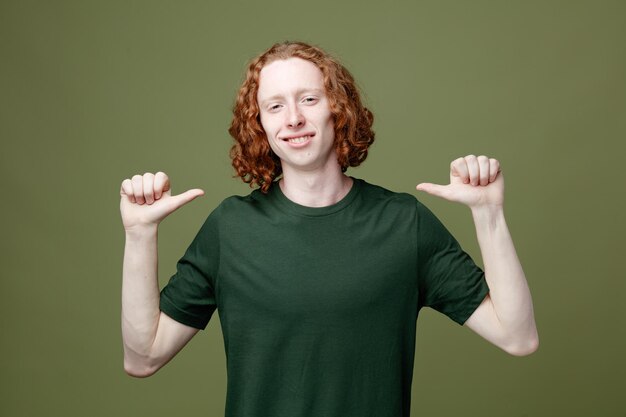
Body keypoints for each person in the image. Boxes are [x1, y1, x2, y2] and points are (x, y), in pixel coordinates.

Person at [119, 41, 538, 417]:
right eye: (275, 106)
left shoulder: (403, 222)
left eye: (309, 98)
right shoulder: (231, 229)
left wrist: (489, 215)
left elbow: (517, 336)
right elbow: (144, 357)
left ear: (339, 108)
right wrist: (139, 235)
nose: (294, 118)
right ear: (260, 124)